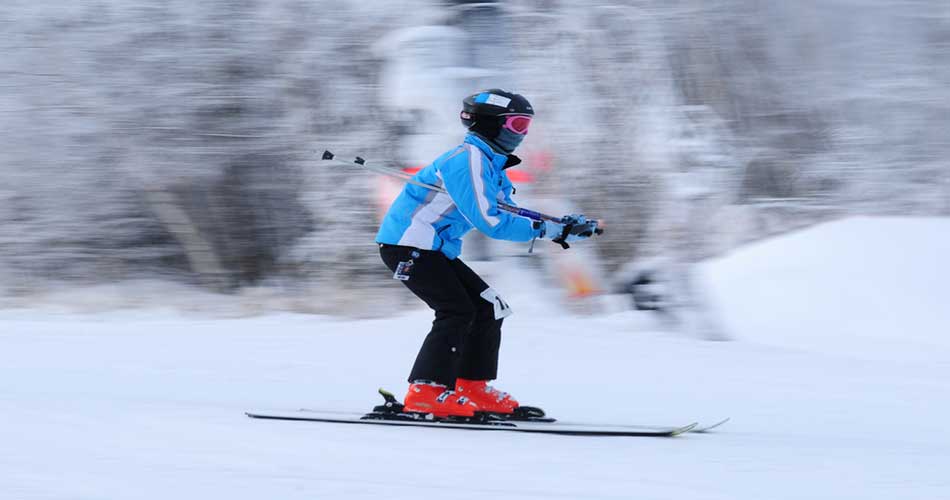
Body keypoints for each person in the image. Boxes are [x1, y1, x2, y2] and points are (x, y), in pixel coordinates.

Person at [375, 89, 593, 418]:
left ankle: (470, 386)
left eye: (527, 126)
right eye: (518, 124)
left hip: (432, 248)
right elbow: (492, 221)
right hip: (407, 244)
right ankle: (426, 391)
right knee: (457, 310)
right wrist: (551, 231)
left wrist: (561, 226)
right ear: (491, 124)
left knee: (490, 307)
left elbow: (511, 212)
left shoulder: (490, 165)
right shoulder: (468, 161)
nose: (523, 134)